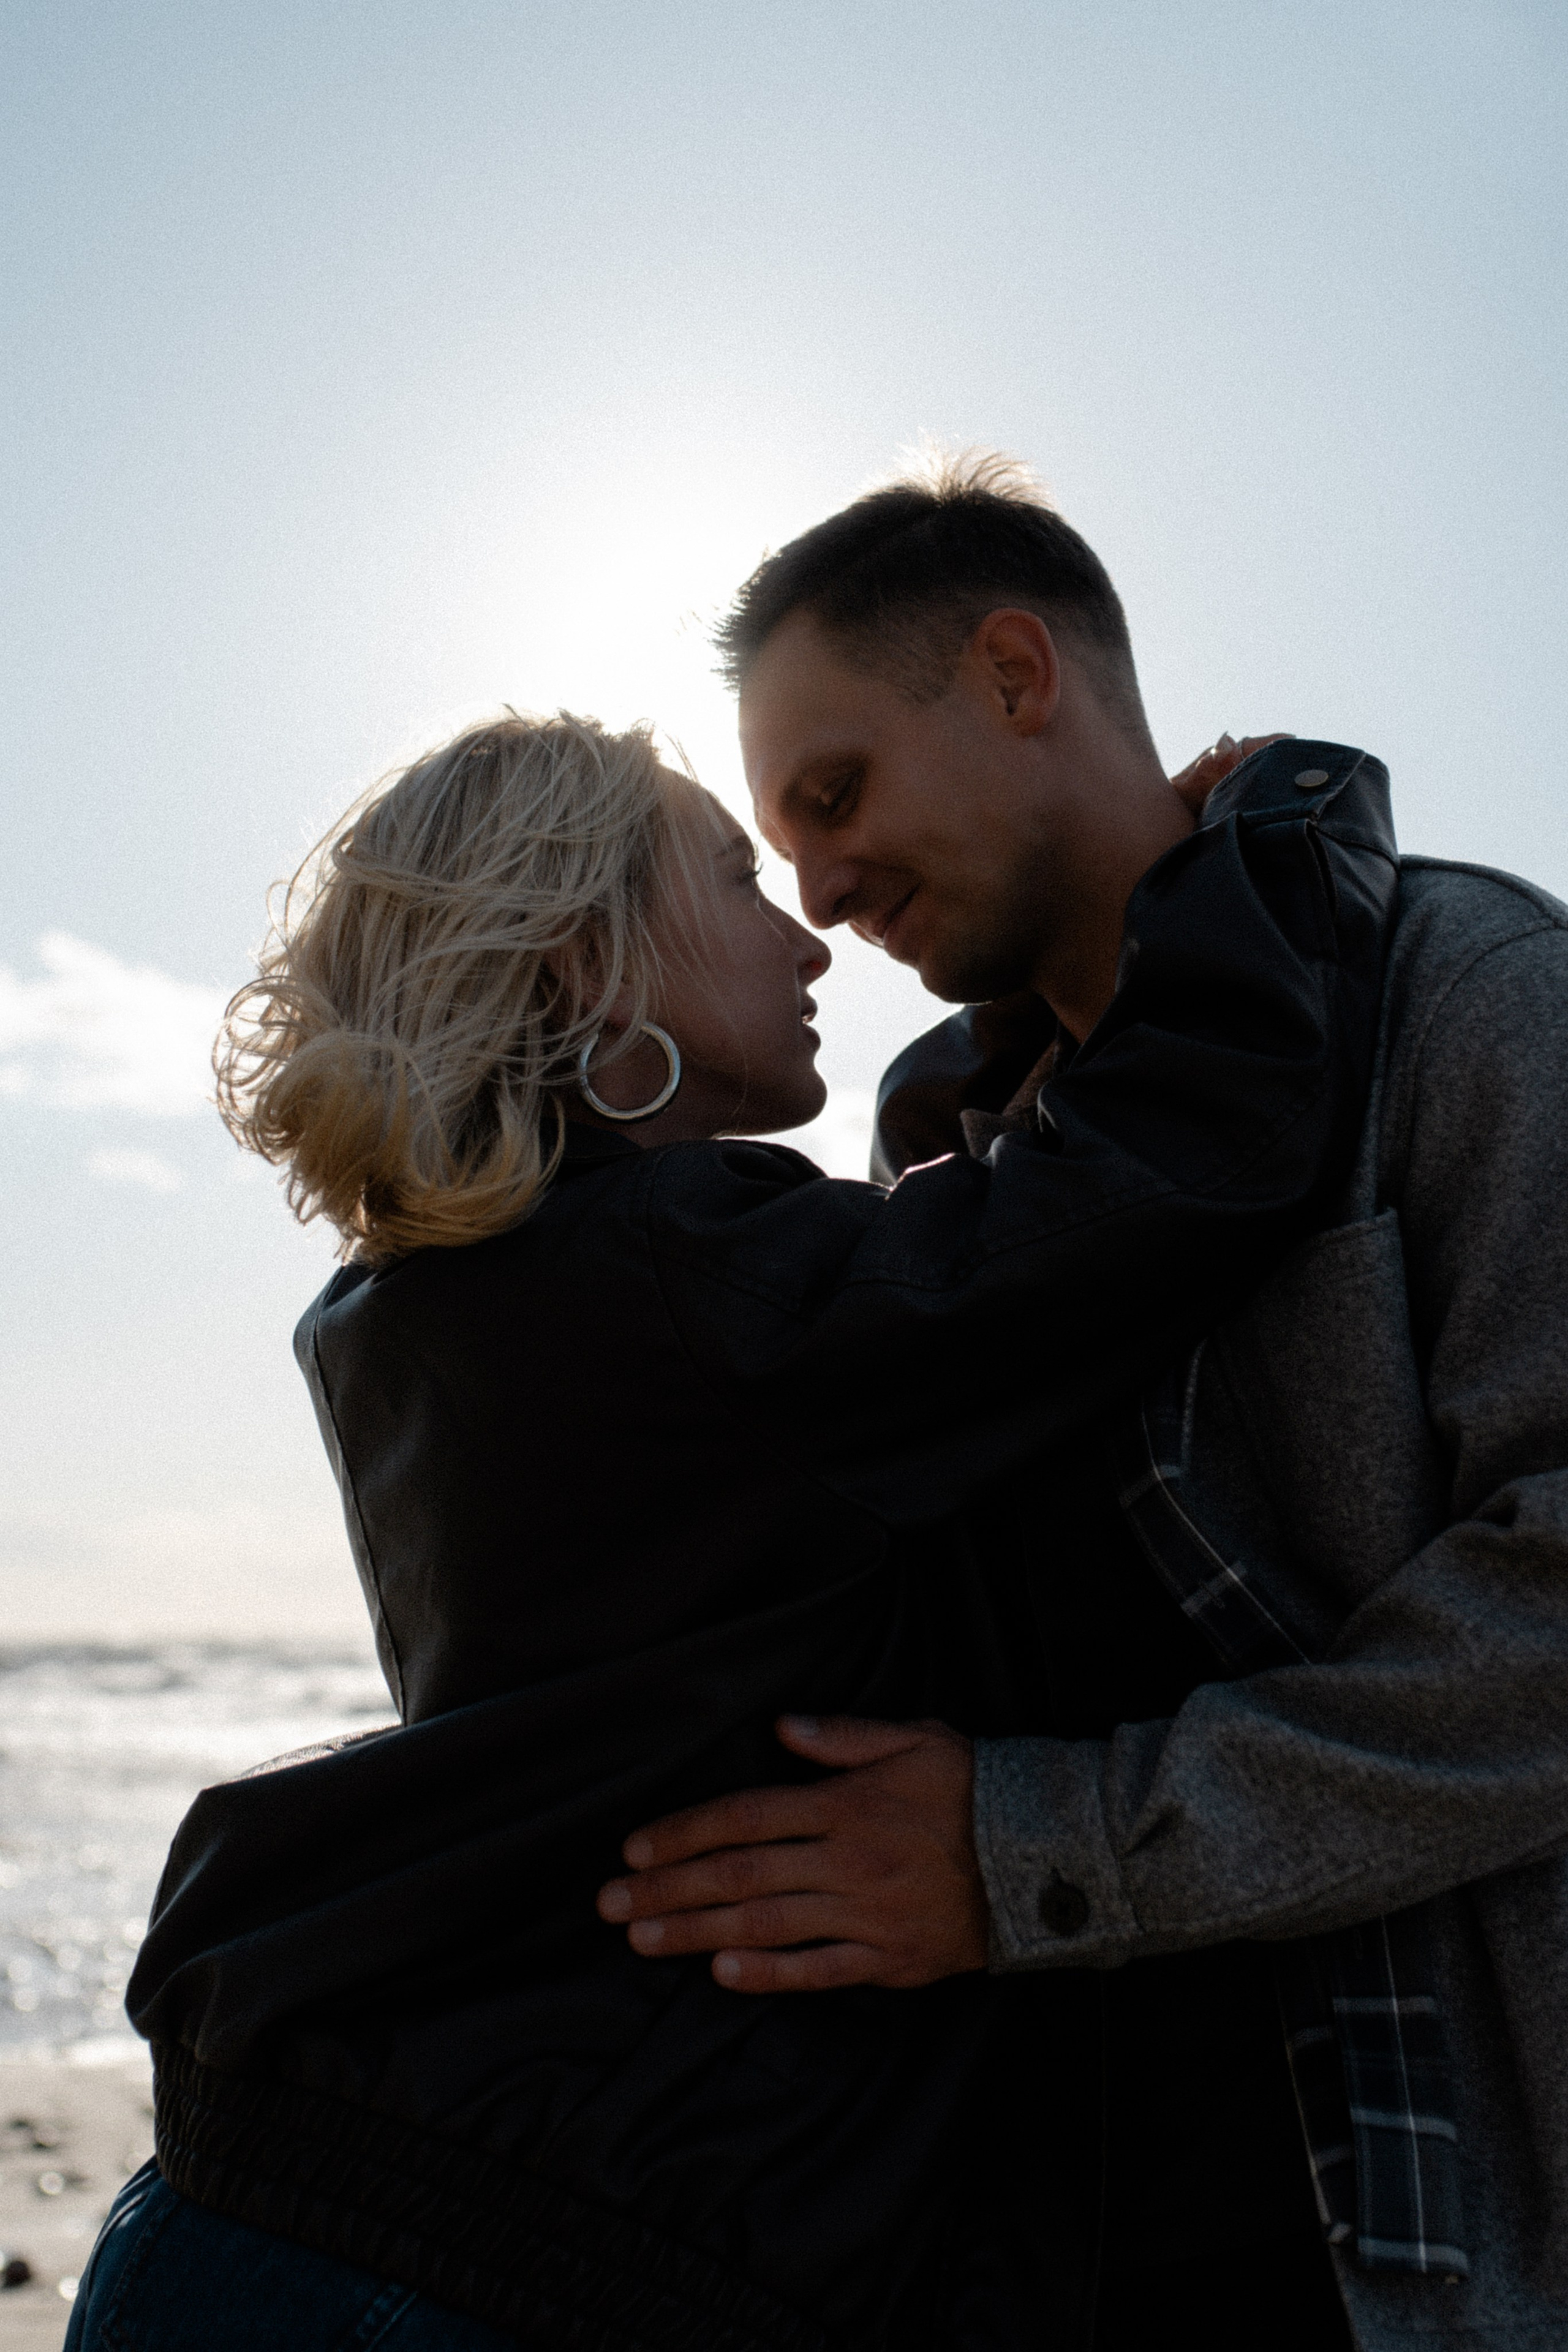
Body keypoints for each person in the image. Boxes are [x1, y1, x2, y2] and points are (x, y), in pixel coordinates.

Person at [67, 690, 1395, 2352]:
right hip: (487, 2274)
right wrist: (1283, 824)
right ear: (584, 964)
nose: (813, 941)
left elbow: (970, 1252)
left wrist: (1027, 1022)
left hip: (265, 2197)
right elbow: (1181, 1162)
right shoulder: (700, 1286)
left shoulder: (416, 1317)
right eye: (737, 880)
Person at [600, 452, 1568, 2352]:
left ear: (1019, 676)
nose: (817, 888)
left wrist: (1036, 1849)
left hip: (1430, 2229)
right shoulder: (945, 1156)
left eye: (835, 793)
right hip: (1052, 2221)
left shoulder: (1474, 997)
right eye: (777, 846)